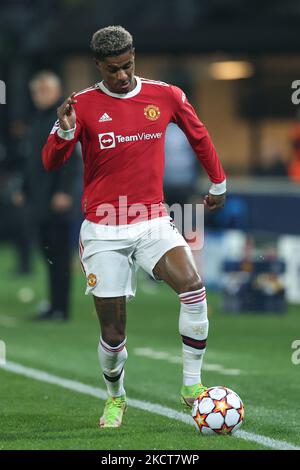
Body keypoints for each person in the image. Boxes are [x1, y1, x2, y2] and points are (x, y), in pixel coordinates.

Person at [42, 26, 226, 427]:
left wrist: (219, 182)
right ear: (98, 65)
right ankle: (115, 396)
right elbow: (50, 162)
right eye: (113, 70)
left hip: (152, 219)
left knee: (193, 289)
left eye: (127, 66)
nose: (122, 76)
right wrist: (66, 131)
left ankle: (192, 387)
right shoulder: (82, 105)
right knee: (113, 333)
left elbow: (199, 135)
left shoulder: (166, 95)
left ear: (134, 56)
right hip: (103, 228)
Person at [24, 71, 80, 321]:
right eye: (37, 91)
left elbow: (72, 158)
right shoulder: (37, 120)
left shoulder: (62, 120)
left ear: (57, 92)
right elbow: (32, 162)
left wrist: (64, 192)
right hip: (40, 199)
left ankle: (61, 308)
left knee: (58, 256)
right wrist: (24, 189)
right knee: (48, 255)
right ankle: (53, 305)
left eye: (45, 90)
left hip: (57, 200)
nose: (40, 96)